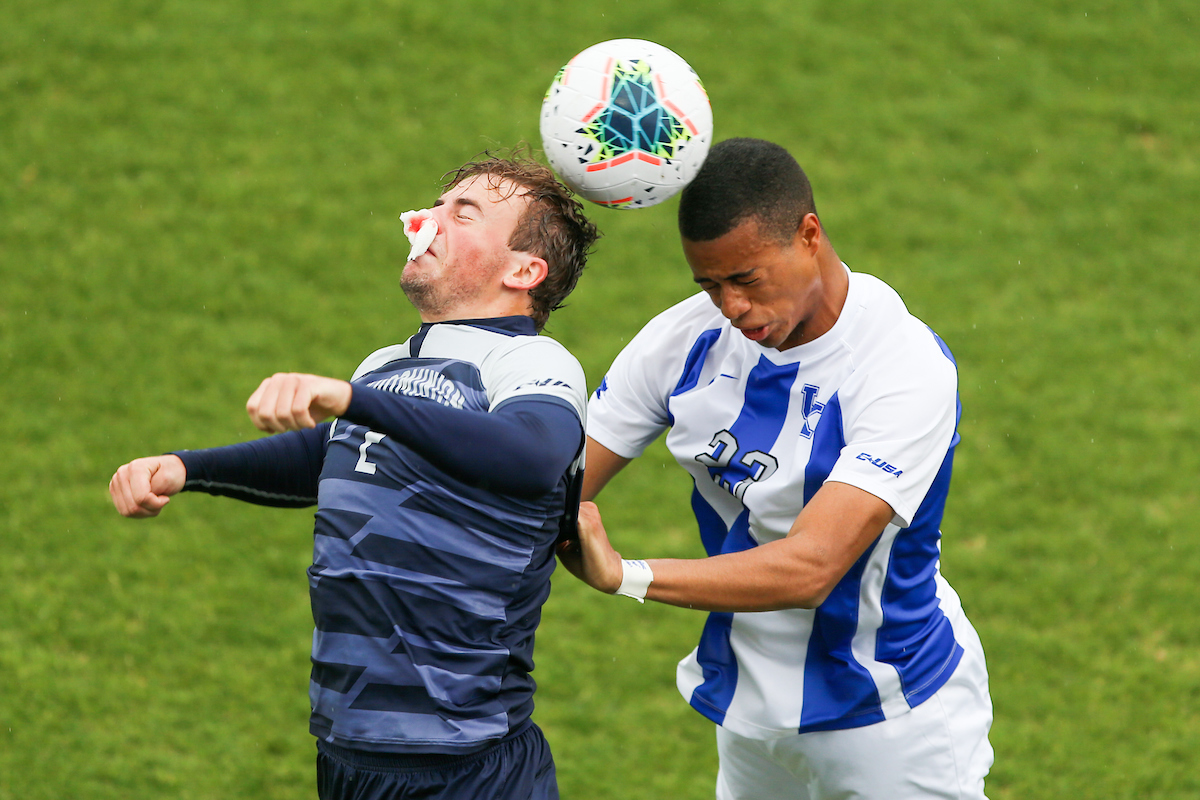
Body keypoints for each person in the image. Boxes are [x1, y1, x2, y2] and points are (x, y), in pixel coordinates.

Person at [109, 152, 599, 800]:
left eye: (465, 212)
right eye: (438, 204)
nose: (429, 220)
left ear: (524, 270)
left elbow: (532, 455)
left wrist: (353, 398)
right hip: (349, 757)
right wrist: (186, 468)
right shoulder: (384, 366)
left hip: (468, 765)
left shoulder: (533, 363)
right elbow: (337, 455)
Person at [560, 138, 993, 799]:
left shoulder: (902, 367)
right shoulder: (681, 344)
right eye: (709, 285)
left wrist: (629, 577)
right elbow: (550, 487)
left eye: (746, 279)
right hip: (749, 710)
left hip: (894, 721)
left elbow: (813, 566)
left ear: (809, 236)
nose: (731, 307)